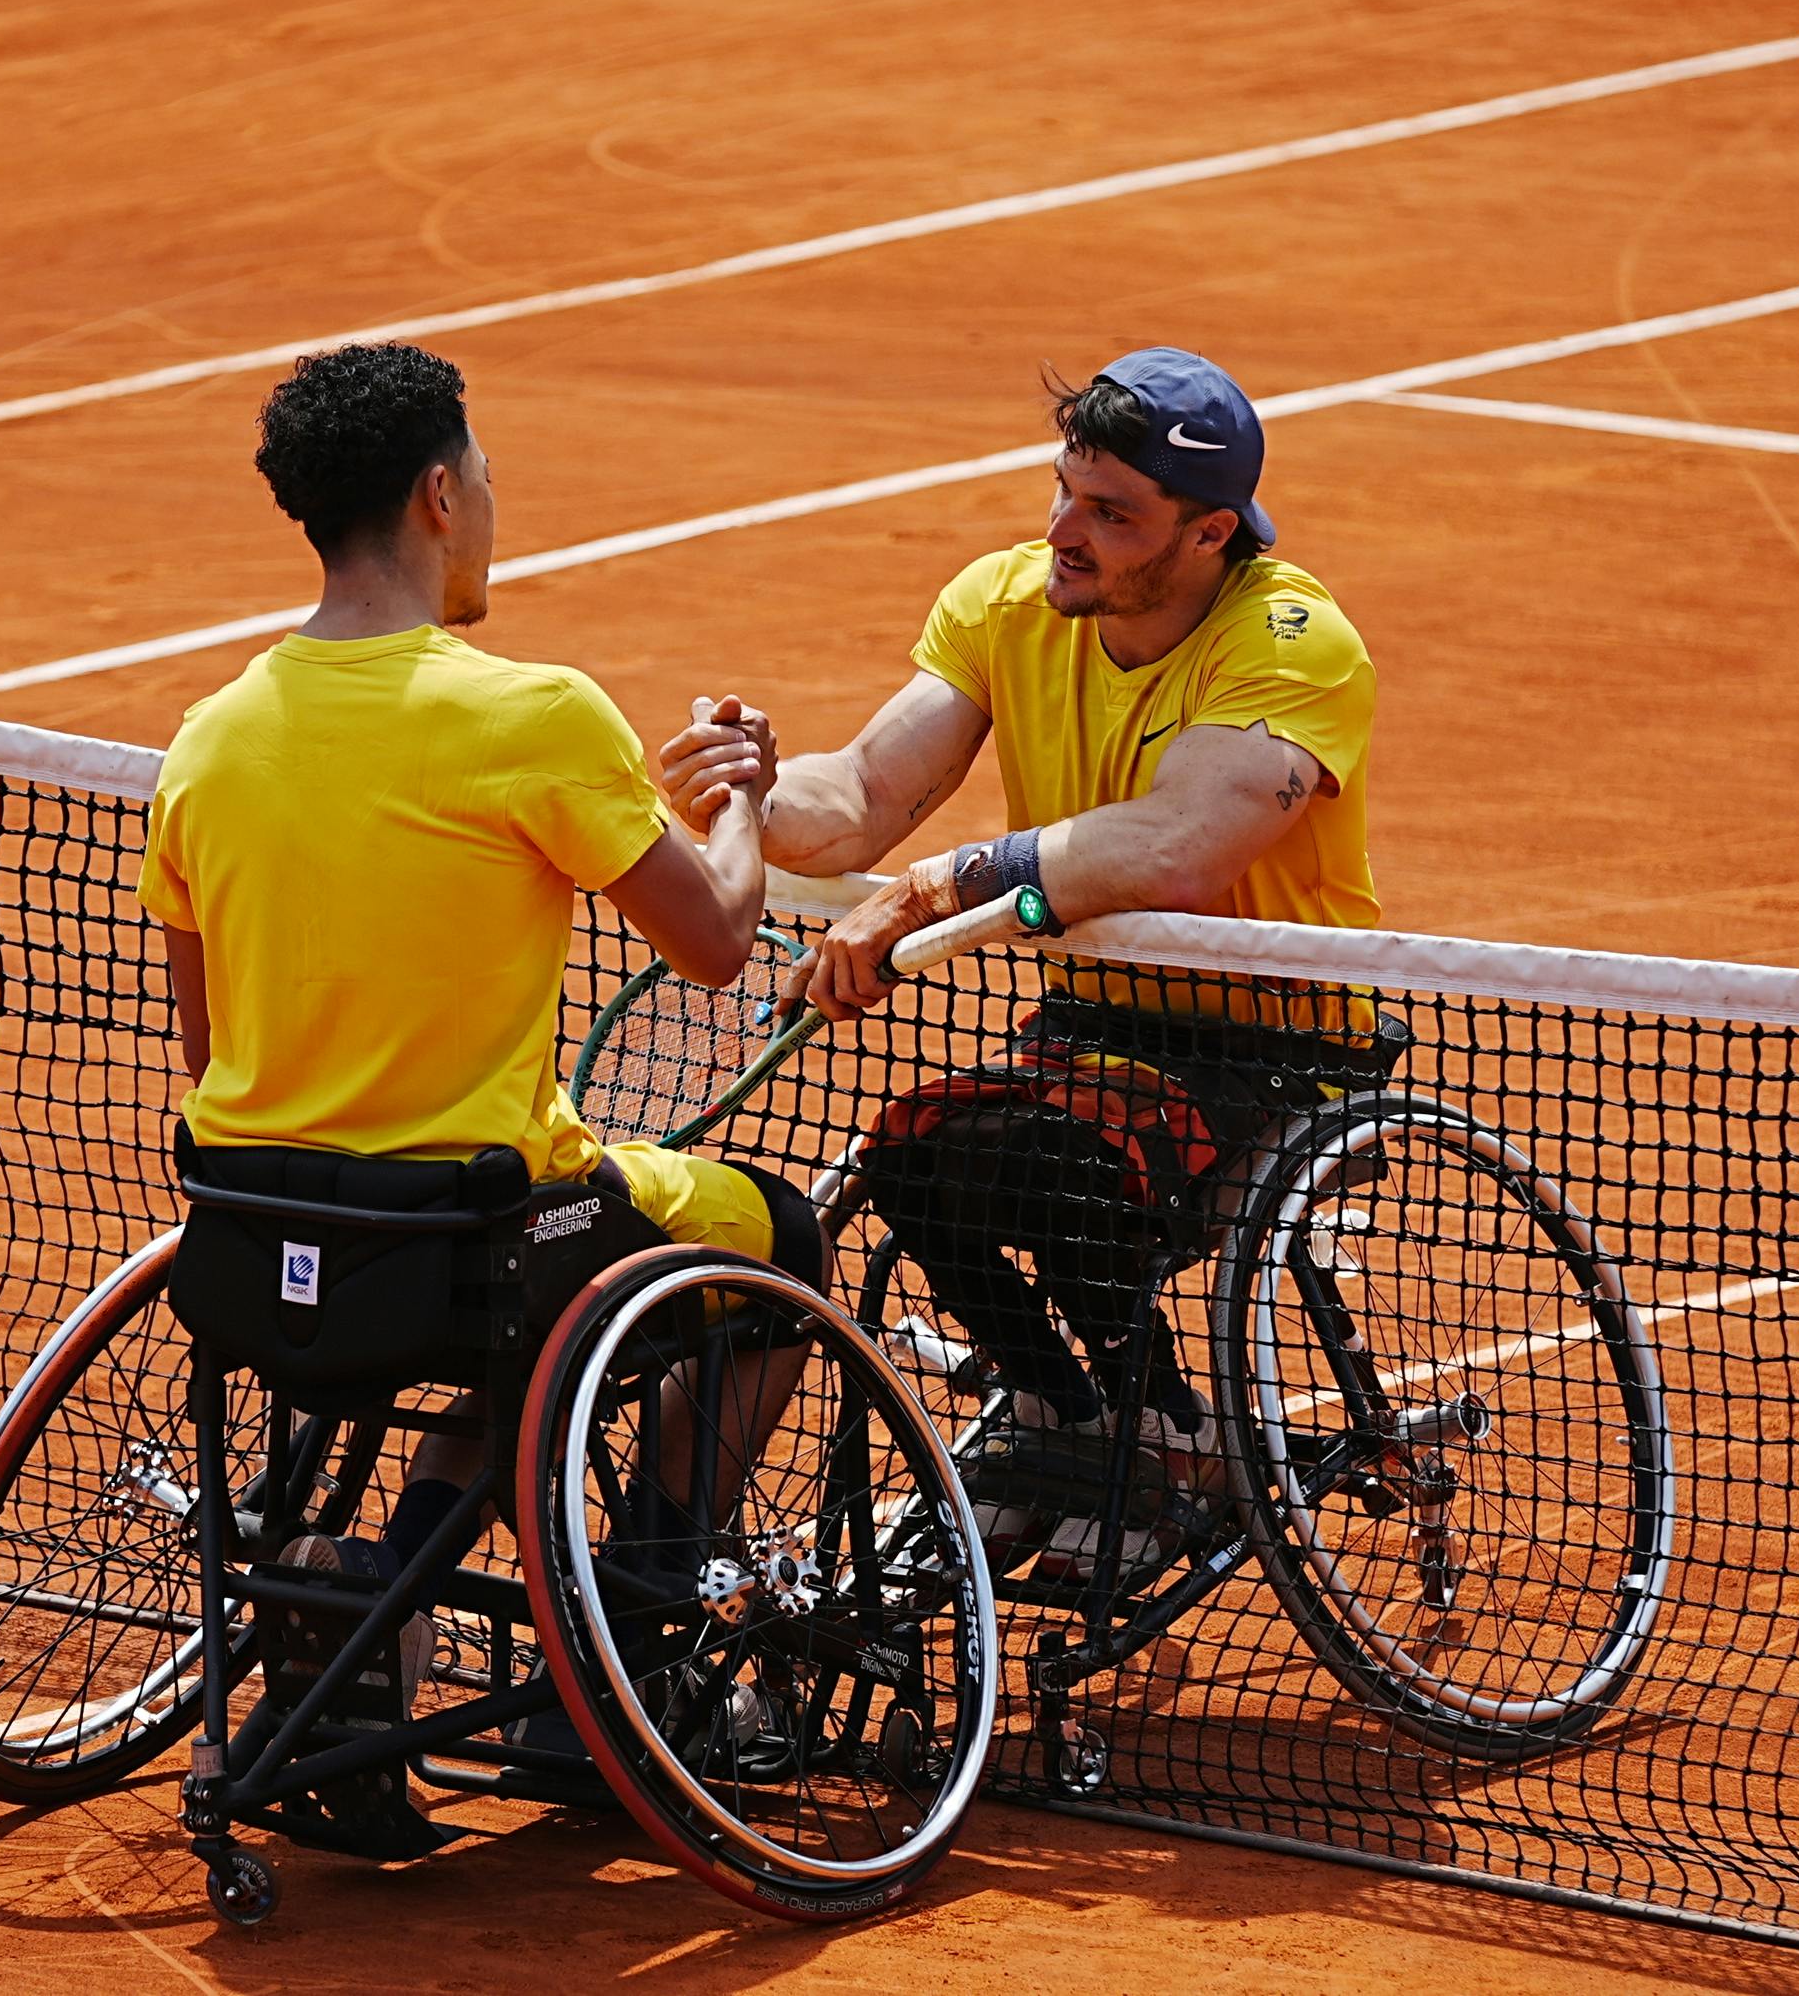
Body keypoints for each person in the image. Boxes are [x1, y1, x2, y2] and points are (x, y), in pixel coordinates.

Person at [139, 341, 816, 1724]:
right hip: (476, 1241)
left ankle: (375, 1579)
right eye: (489, 474)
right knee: (779, 1243)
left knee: (522, 1298)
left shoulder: (203, 742)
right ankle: (633, 1644)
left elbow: (208, 1044)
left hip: (255, 1242)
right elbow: (718, 941)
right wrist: (738, 796)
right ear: (440, 495)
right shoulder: (536, 715)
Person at [653, 346, 1383, 1576]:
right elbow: (866, 797)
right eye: (1067, 490)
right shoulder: (1009, 605)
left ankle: (1164, 1436)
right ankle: (1071, 1419)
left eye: (1112, 513)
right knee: (915, 1155)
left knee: (1061, 1167)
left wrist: (946, 884)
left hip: (1280, 1045)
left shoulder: (1294, 643)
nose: (1067, 530)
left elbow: (1183, 843)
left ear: (1209, 535)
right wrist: (746, 795)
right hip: (1097, 1024)